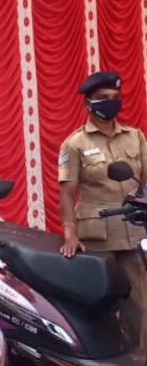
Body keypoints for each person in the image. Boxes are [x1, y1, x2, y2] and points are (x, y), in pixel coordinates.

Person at [58, 71, 147, 346]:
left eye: (115, 97)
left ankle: (138, 362)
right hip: (96, 236)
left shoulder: (135, 137)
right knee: (98, 307)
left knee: (140, 307)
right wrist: (70, 234)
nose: (111, 102)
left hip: (132, 232)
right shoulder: (75, 143)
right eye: (103, 98)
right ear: (88, 103)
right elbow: (67, 193)